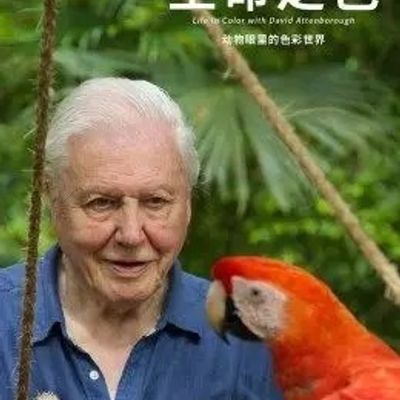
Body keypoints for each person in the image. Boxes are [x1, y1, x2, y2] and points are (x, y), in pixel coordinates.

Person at [0, 78, 283, 400]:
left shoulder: (245, 344)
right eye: (101, 203)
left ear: (188, 204)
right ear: (52, 198)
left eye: (156, 202)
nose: (132, 235)